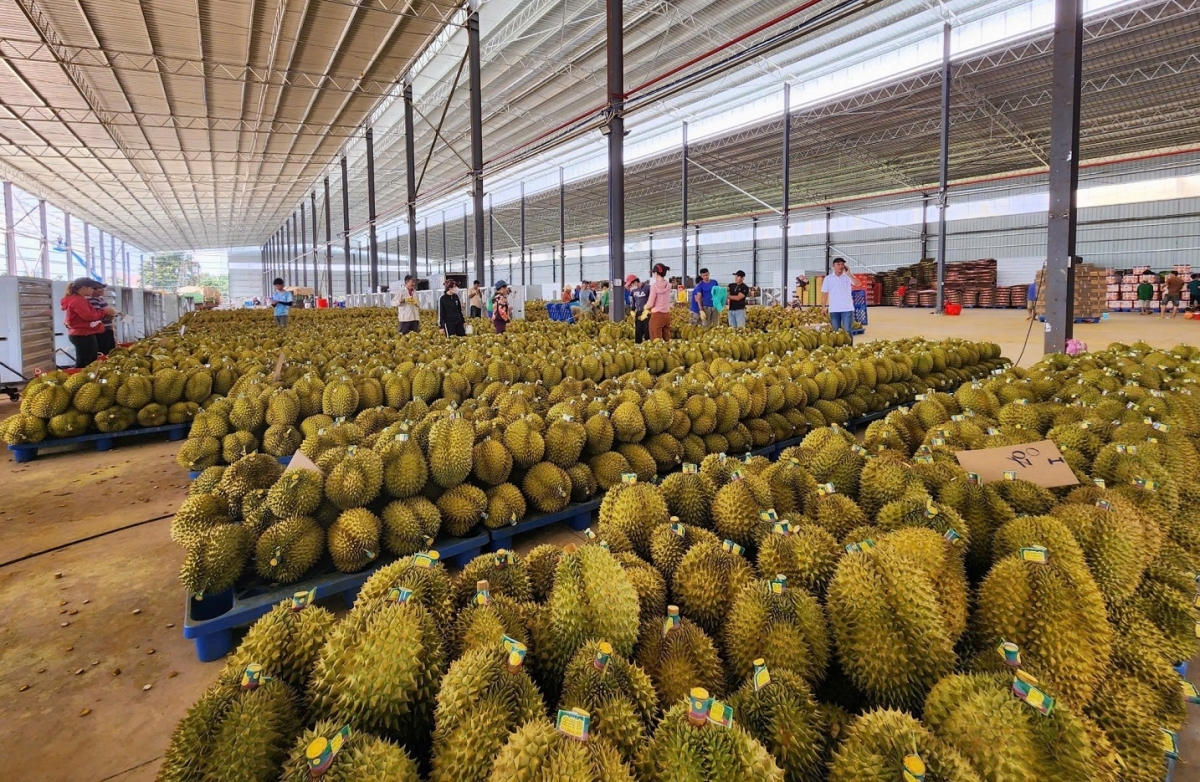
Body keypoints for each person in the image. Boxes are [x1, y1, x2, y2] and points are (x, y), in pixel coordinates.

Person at [61, 278, 115, 369]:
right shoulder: (78, 300)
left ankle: (84, 374)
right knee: (86, 361)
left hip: (83, 333)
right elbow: (88, 316)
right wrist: (105, 312)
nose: (93, 290)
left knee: (88, 359)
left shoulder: (79, 299)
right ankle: (80, 375)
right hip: (82, 334)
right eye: (92, 288)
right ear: (84, 288)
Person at [821, 258, 858, 344]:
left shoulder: (848, 277)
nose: (840, 266)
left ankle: (849, 348)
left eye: (842, 264)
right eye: (838, 264)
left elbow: (858, 284)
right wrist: (823, 307)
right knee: (836, 332)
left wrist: (849, 274)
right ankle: (838, 349)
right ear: (833, 266)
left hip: (847, 308)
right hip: (834, 309)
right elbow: (825, 294)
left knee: (848, 330)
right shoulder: (828, 279)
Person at [643, 263, 673, 341]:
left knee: (656, 340)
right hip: (666, 315)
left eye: (653, 273)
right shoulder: (668, 285)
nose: (653, 275)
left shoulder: (654, 286)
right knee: (666, 339)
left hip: (657, 315)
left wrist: (645, 307)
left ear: (656, 273)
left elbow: (650, 303)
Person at [86, 282, 117, 355]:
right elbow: (97, 316)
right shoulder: (92, 300)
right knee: (104, 351)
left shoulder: (100, 299)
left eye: (103, 288)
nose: (102, 290)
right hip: (101, 330)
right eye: (99, 288)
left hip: (107, 328)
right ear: (92, 290)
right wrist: (109, 314)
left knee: (110, 350)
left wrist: (111, 314)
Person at [628, 275, 650, 343]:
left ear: (635, 282)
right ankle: (638, 346)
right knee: (638, 332)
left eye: (631, 285)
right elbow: (633, 301)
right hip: (638, 312)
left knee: (647, 331)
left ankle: (648, 345)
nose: (630, 287)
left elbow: (651, 300)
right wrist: (632, 310)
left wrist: (648, 311)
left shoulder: (647, 288)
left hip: (647, 313)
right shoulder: (633, 291)